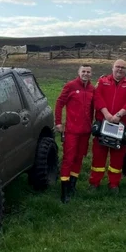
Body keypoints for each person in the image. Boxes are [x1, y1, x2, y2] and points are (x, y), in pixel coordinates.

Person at [89, 59, 126, 193]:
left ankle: (114, 184)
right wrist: (106, 114)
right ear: (112, 67)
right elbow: (97, 97)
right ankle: (94, 182)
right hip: (103, 122)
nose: (120, 69)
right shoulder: (103, 81)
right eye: (117, 67)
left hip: (121, 124)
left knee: (117, 156)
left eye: (123, 67)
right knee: (98, 155)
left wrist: (119, 115)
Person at [55, 64, 95, 203]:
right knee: (68, 159)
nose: (85, 74)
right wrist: (58, 122)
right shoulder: (71, 86)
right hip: (72, 130)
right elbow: (59, 103)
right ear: (79, 72)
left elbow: (91, 109)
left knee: (79, 158)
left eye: (88, 72)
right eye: (83, 71)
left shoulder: (92, 89)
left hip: (85, 131)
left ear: (91, 74)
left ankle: (73, 185)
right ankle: (64, 191)